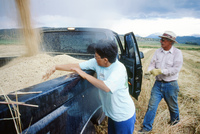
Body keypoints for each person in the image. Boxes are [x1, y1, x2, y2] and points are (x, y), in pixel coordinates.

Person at [43, 40, 136, 134]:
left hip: (123, 116)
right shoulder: (97, 62)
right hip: (112, 114)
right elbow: (77, 66)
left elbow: (106, 87)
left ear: (105, 60)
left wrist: (86, 76)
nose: (94, 58)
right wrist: (56, 67)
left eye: (96, 56)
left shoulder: (119, 69)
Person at [138, 31, 183, 133]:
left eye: (163, 40)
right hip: (158, 84)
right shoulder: (158, 52)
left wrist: (161, 71)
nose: (161, 41)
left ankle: (175, 124)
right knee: (151, 106)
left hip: (171, 85)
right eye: (161, 39)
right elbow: (152, 64)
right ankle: (146, 128)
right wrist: (150, 71)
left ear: (170, 42)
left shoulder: (177, 53)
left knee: (173, 107)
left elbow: (176, 69)